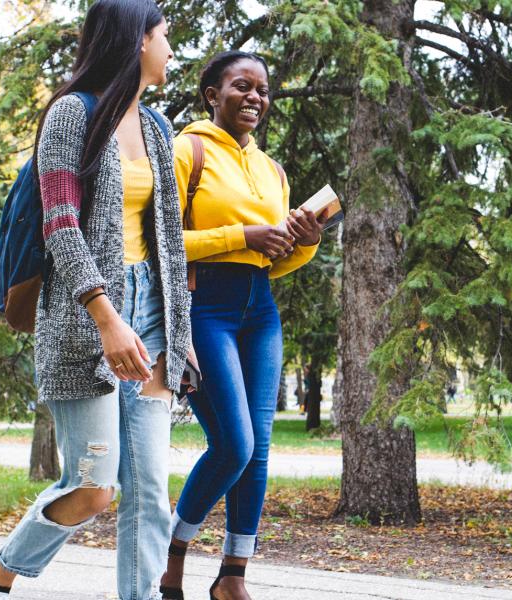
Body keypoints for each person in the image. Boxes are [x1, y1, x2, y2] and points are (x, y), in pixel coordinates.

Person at [0, 2, 191, 599]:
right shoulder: (72, 114)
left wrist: (175, 332)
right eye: (165, 36)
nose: (171, 49)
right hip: (83, 317)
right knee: (95, 486)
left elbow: (168, 237)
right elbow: (61, 225)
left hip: (150, 313)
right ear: (135, 41)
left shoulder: (157, 128)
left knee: (148, 490)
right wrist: (105, 316)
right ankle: (0, 574)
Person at [160, 51, 325, 600]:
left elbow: (273, 261)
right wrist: (241, 236)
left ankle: (233, 576)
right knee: (233, 442)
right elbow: (158, 245)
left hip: (261, 311)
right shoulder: (189, 150)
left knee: (259, 449)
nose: (256, 97)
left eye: (263, 89)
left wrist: (304, 243)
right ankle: (173, 553)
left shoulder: (272, 169)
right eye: (242, 86)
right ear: (212, 93)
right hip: (205, 305)